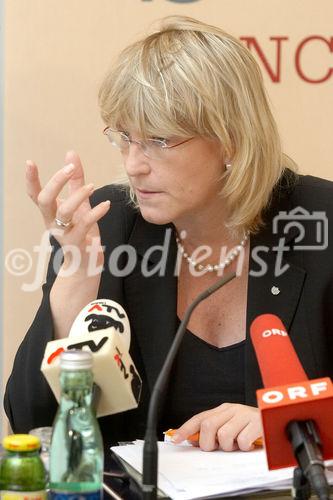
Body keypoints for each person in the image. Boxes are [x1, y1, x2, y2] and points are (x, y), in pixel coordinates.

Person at [4, 16, 333, 458]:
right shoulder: (111, 224)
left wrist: (287, 421)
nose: (133, 164)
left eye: (158, 140)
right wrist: (74, 286)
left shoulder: (320, 219)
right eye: (124, 138)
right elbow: (33, 423)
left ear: (231, 140)